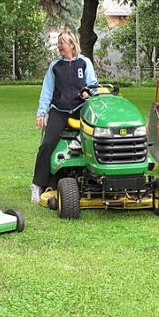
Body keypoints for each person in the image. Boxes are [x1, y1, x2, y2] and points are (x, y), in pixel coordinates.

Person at [31, 31, 97, 203]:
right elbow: (47, 91)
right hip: (59, 110)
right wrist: (41, 113)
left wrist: (88, 92)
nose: (59, 46)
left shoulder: (84, 63)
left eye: (62, 43)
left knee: (93, 136)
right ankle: (37, 185)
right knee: (47, 145)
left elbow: (93, 85)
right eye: (58, 43)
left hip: (80, 108)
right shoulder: (55, 66)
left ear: (72, 45)